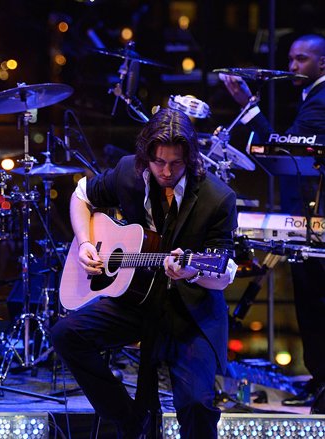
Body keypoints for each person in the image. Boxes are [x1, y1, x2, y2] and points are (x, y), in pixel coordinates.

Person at [51, 108, 238, 439]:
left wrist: (191, 271)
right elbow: (81, 196)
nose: (166, 171)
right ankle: (127, 420)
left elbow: (224, 273)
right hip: (136, 302)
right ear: (145, 157)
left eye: (176, 163)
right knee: (66, 334)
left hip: (191, 311)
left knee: (196, 404)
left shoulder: (218, 198)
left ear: (190, 158)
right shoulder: (128, 171)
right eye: (159, 162)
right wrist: (85, 243)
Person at [221, 33, 325, 411]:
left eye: (301, 59)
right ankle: (319, 379)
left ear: (322, 63)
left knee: (315, 302)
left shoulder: (321, 102)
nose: (292, 66)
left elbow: (284, 146)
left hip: (315, 220)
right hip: (307, 218)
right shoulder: (312, 97)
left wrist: (247, 106)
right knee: (309, 303)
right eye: (291, 59)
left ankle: (322, 382)